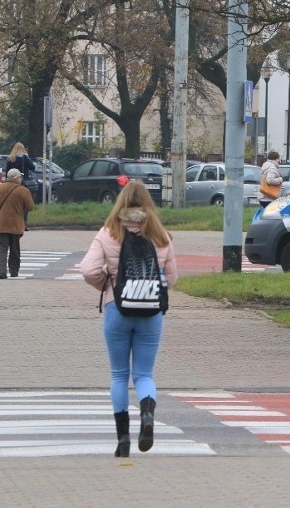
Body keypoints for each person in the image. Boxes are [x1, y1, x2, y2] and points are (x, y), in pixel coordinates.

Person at [79, 180, 179, 457]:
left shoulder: (108, 233)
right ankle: (147, 413)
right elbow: (172, 279)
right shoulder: (161, 236)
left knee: (119, 375)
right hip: (151, 312)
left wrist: (109, 284)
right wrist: (150, 288)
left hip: (117, 310)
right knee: (144, 374)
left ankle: (123, 439)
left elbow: (87, 270)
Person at [0, 168, 34, 279]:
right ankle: (14, 272)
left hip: (1, 225)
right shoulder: (23, 190)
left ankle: (2, 272)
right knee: (15, 250)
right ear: (16, 178)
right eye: (20, 177)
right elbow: (30, 206)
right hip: (16, 226)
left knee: (1, 250)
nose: (21, 179)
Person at [6, 142, 36, 230]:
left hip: (11, 184)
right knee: (24, 203)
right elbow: (32, 167)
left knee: (12, 203)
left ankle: (12, 223)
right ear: (23, 149)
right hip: (22, 182)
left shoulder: (10, 158)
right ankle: (24, 224)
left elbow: (7, 171)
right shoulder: (24, 158)